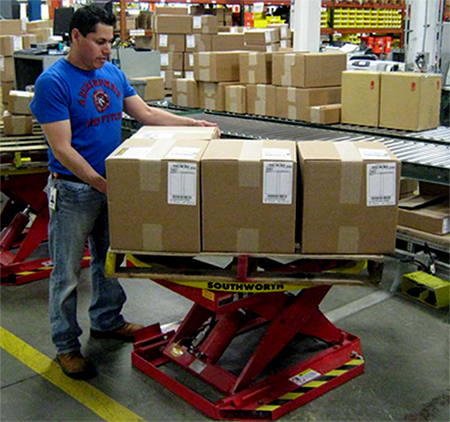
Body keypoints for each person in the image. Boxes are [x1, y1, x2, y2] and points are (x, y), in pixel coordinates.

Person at [30, 4, 217, 380]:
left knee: (110, 261)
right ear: (76, 37)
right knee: (66, 274)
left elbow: (145, 114)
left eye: (110, 42)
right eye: (99, 42)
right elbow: (63, 149)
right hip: (73, 192)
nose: (105, 49)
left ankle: (107, 320)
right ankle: (67, 345)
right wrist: (100, 183)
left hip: (111, 187)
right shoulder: (54, 82)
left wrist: (191, 124)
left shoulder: (112, 73)